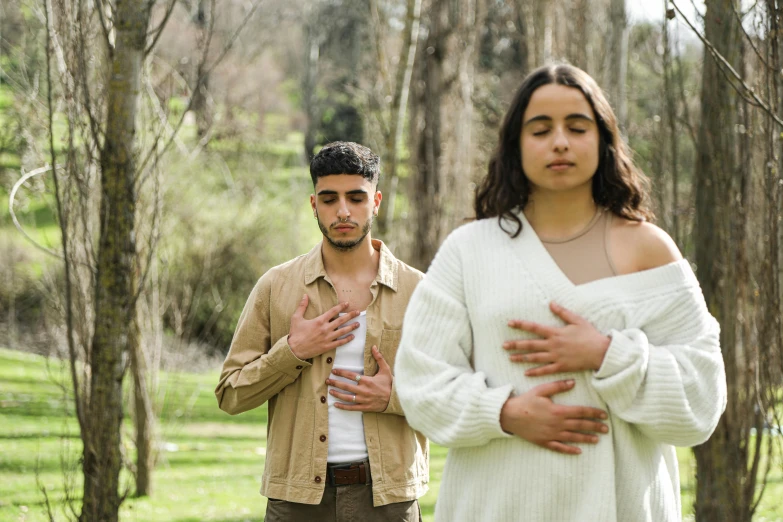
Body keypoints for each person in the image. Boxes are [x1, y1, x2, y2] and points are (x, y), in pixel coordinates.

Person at [393, 64, 727, 522]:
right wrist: (505, 412)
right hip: (498, 506)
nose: (560, 142)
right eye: (540, 129)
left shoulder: (649, 249)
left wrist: (607, 355)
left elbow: (702, 398)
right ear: (516, 144)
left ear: (604, 139)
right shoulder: (469, 252)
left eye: (577, 126)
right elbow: (420, 384)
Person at [216, 141, 427, 521]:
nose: (342, 211)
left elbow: (455, 397)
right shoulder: (275, 287)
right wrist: (293, 351)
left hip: (388, 502)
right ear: (314, 204)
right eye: (329, 199)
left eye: (356, 198)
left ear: (376, 201)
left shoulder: (419, 292)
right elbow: (231, 394)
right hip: (296, 501)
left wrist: (396, 396)